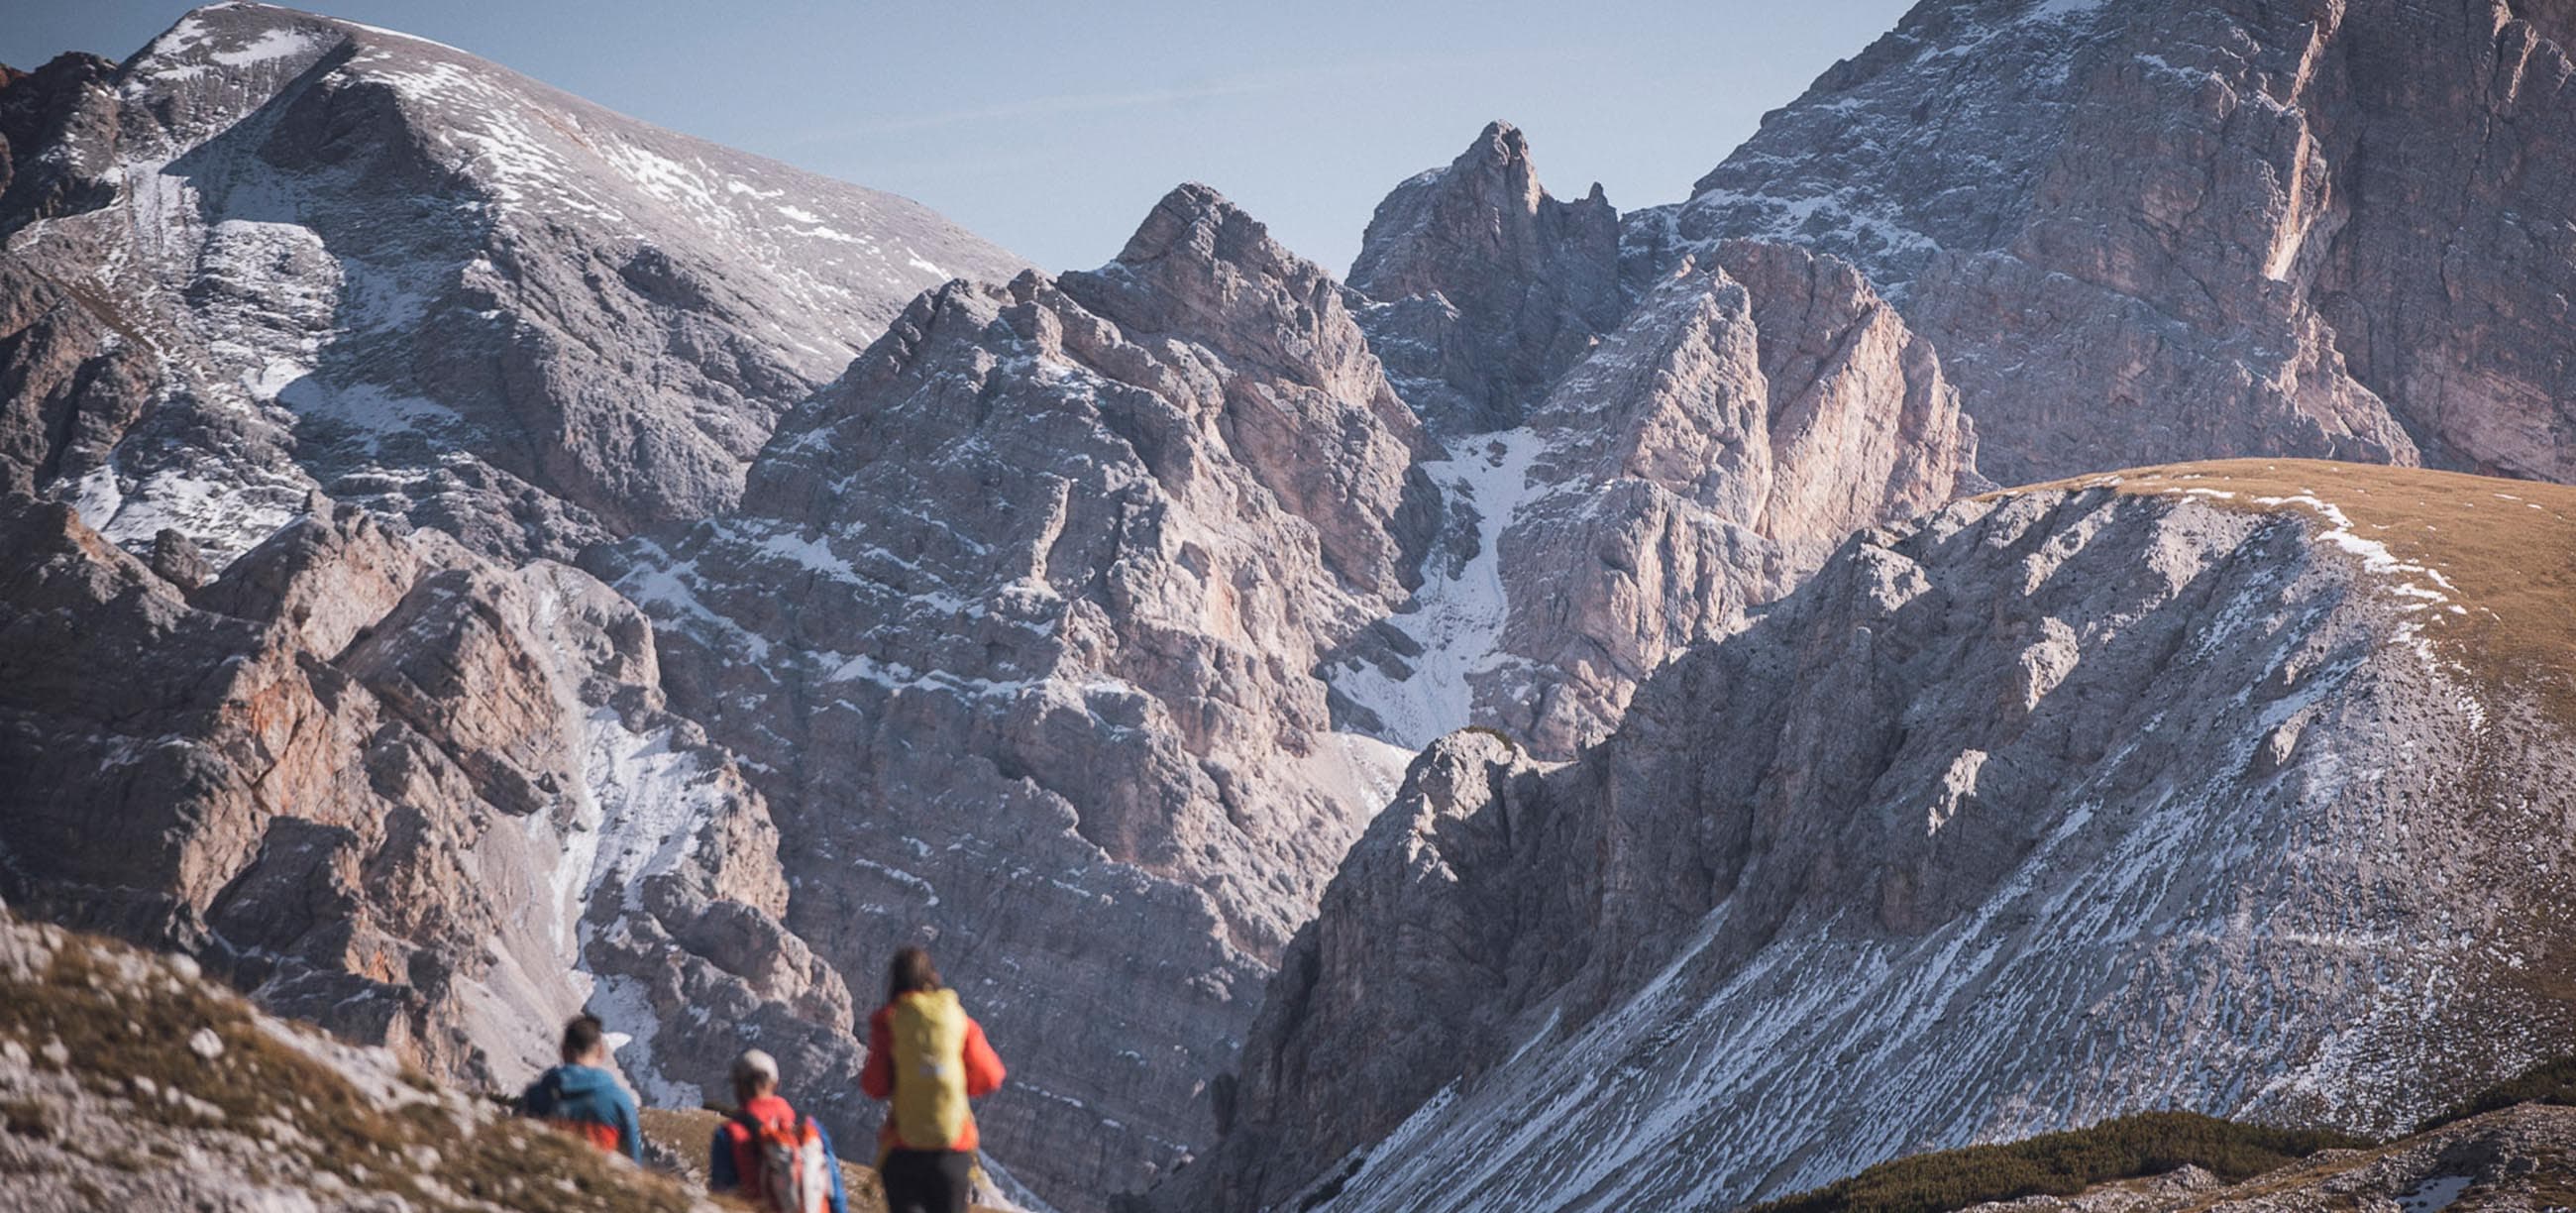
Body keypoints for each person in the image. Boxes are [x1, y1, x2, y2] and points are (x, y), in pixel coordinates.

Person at [861, 946, 1006, 1213]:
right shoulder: (958, 1019)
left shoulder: (890, 1021)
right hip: (952, 1149)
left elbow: (874, 1085)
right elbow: (992, 1076)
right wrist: (956, 1086)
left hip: (904, 1150)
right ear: (932, 977)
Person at [710, 1048, 849, 1213]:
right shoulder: (811, 1128)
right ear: (775, 1084)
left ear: (739, 1087)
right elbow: (836, 1195)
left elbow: (723, 1196)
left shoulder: (729, 1134)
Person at [518, 1013, 645, 1161]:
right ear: (600, 1052)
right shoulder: (620, 1102)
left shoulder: (535, 1096)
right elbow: (634, 1164)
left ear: (564, 1050)